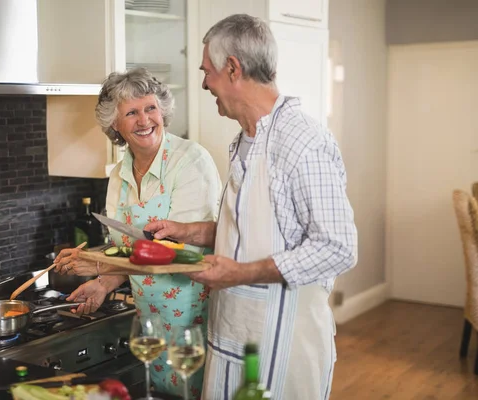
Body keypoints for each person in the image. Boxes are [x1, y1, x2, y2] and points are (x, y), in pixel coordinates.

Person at [145, 14, 358, 400]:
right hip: (233, 335)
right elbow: (257, 229)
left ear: (233, 68)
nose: (205, 83)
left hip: (285, 345)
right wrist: (188, 232)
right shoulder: (245, 139)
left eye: (207, 71)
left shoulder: (303, 141)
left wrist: (240, 272)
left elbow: (338, 248)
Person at [53, 67, 222, 399]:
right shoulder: (118, 175)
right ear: (115, 124)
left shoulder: (190, 162)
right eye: (131, 112)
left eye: (150, 108)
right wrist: (104, 283)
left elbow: (180, 253)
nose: (145, 120)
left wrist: (96, 264)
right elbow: (129, 249)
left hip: (194, 317)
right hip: (149, 319)